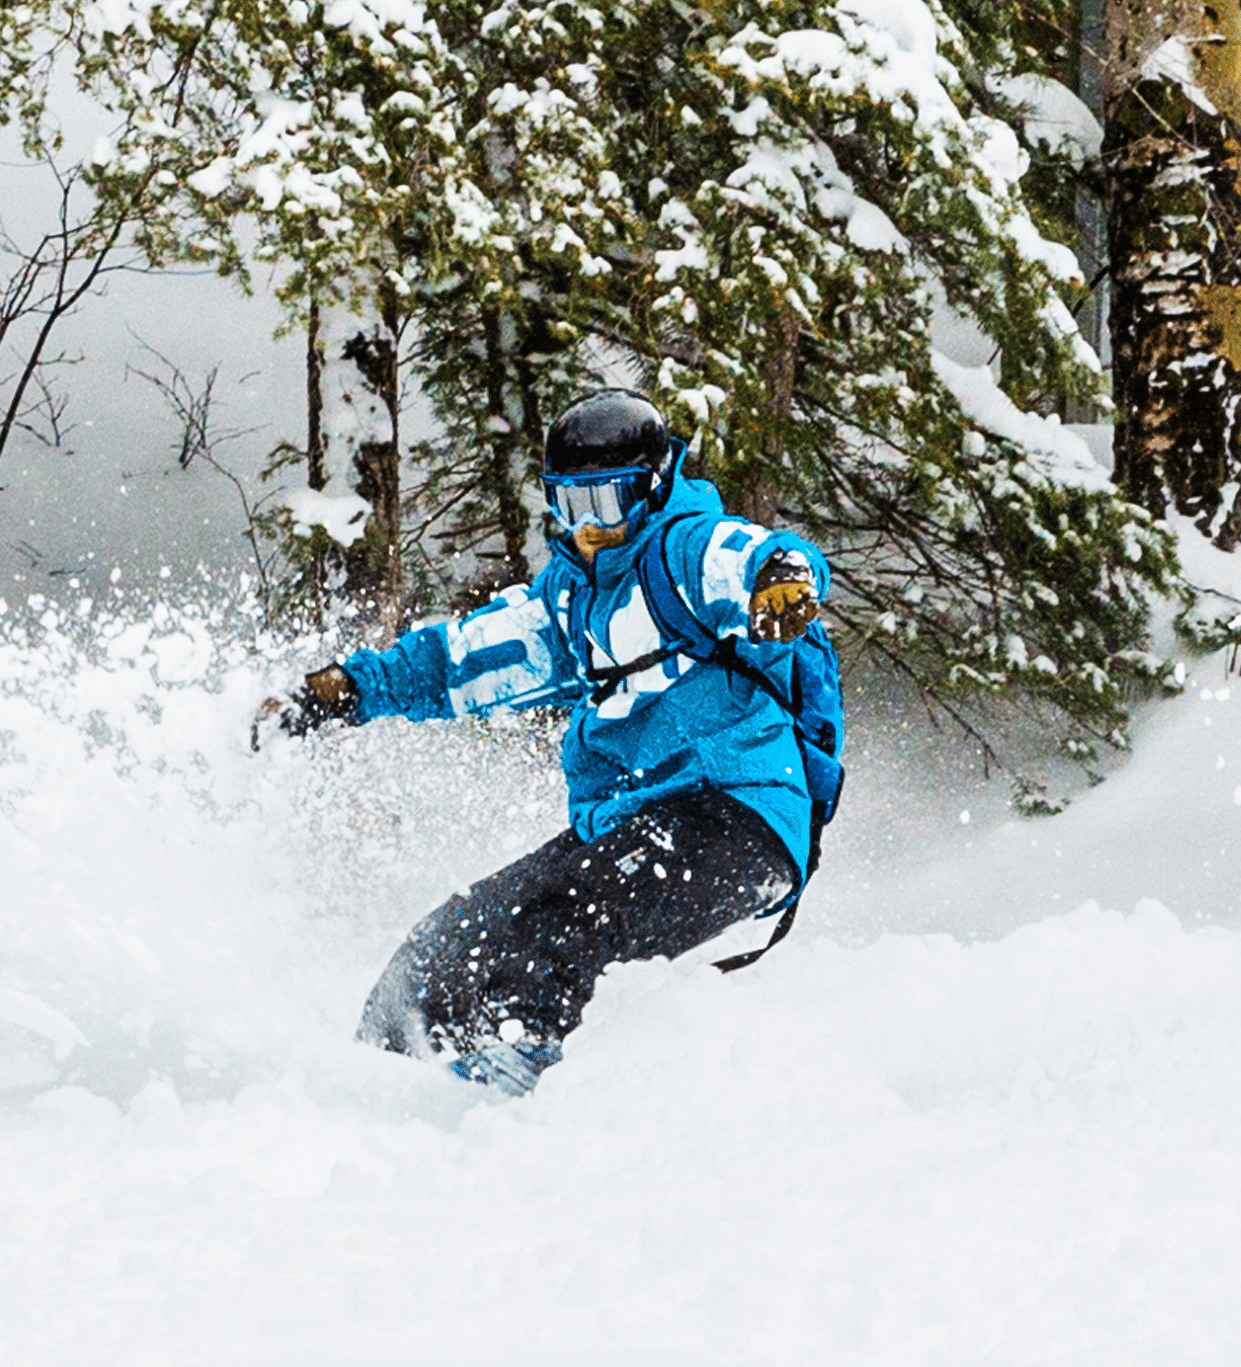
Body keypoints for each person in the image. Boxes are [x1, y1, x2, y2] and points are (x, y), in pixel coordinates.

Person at [266, 389, 843, 1094]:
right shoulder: (568, 601)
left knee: (568, 911)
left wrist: (780, 583)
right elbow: (459, 660)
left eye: (606, 503)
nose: (589, 527)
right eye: (570, 506)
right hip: (637, 822)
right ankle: (372, 1081)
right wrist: (347, 692)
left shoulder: (681, 549)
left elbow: (753, 558)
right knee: (444, 946)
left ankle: (513, 1088)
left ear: (653, 486)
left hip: (738, 820)